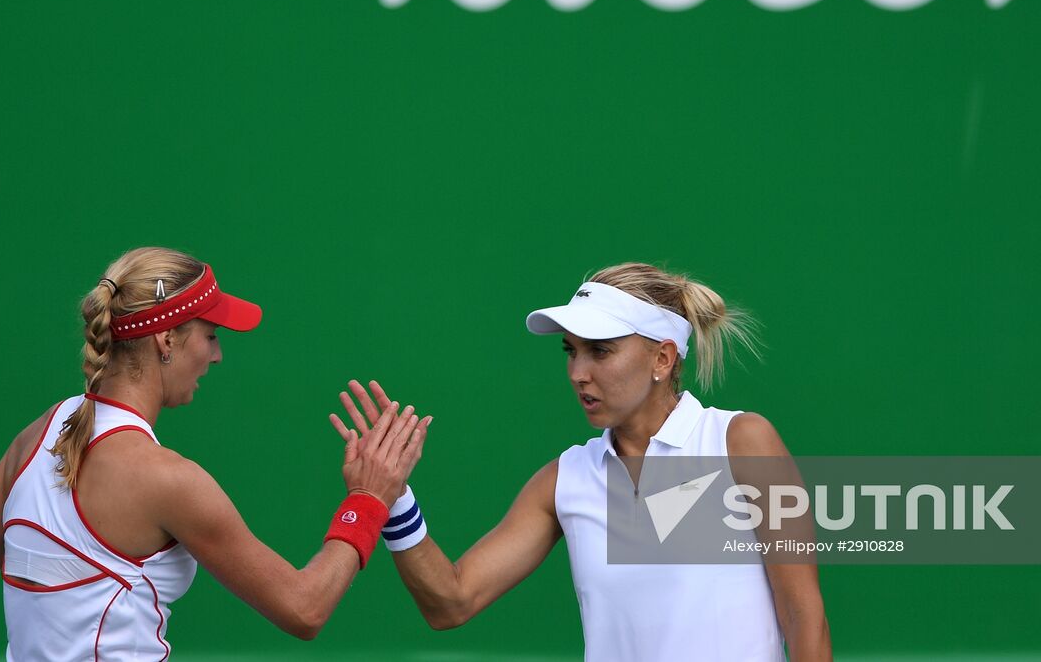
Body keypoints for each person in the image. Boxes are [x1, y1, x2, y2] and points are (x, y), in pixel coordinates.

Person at [0, 247, 430, 661]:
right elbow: (304, 609)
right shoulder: (168, 480)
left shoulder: (36, 436)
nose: (216, 354)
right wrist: (368, 498)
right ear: (166, 339)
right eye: (209, 337)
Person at [333, 261, 832, 662]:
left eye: (600, 352)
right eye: (571, 352)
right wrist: (393, 499)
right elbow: (451, 602)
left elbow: (802, 613)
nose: (577, 373)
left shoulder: (741, 441)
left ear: (662, 359)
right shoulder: (564, 480)